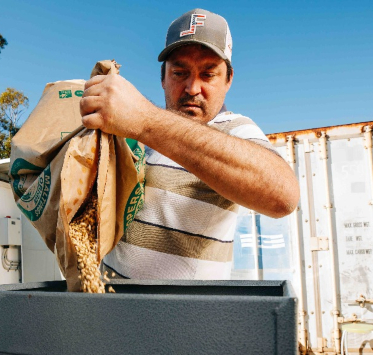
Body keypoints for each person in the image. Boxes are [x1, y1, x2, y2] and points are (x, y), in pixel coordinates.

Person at [81, 8, 299, 279]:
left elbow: (283, 196)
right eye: (180, 73)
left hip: (186, 315)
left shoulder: (233, 129)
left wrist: (146, 121)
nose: (193, 88)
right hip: (113, 306)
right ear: (163, 78)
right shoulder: (140, 138)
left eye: (208, 74)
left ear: (228, 80)